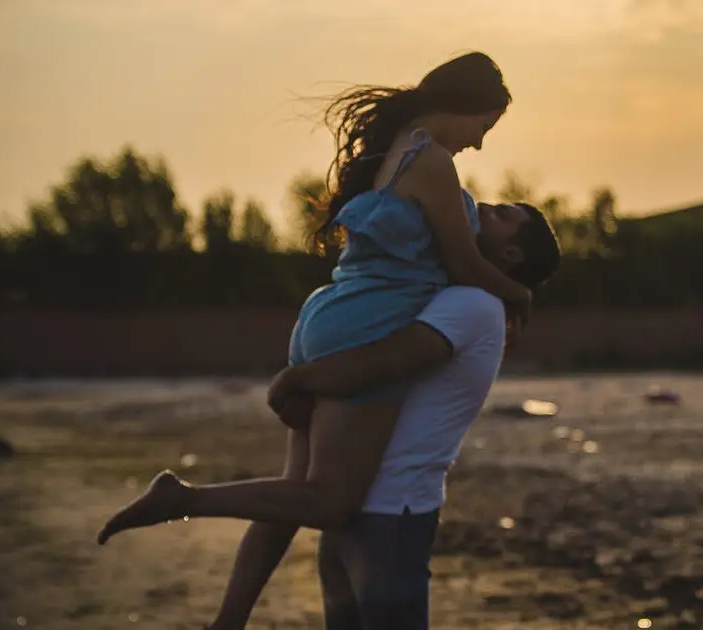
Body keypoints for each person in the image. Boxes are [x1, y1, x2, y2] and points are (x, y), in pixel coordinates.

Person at [97, 50, 531, 546]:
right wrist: (521, 294)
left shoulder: (388, 151)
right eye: (484, 126)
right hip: (368, 327)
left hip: (325, 316)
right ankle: (185, 498)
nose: (478, 143)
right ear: (463, 103)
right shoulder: (432, 162)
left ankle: (229, 617)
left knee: (292, 494)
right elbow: (464, 265)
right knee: (329, 502)